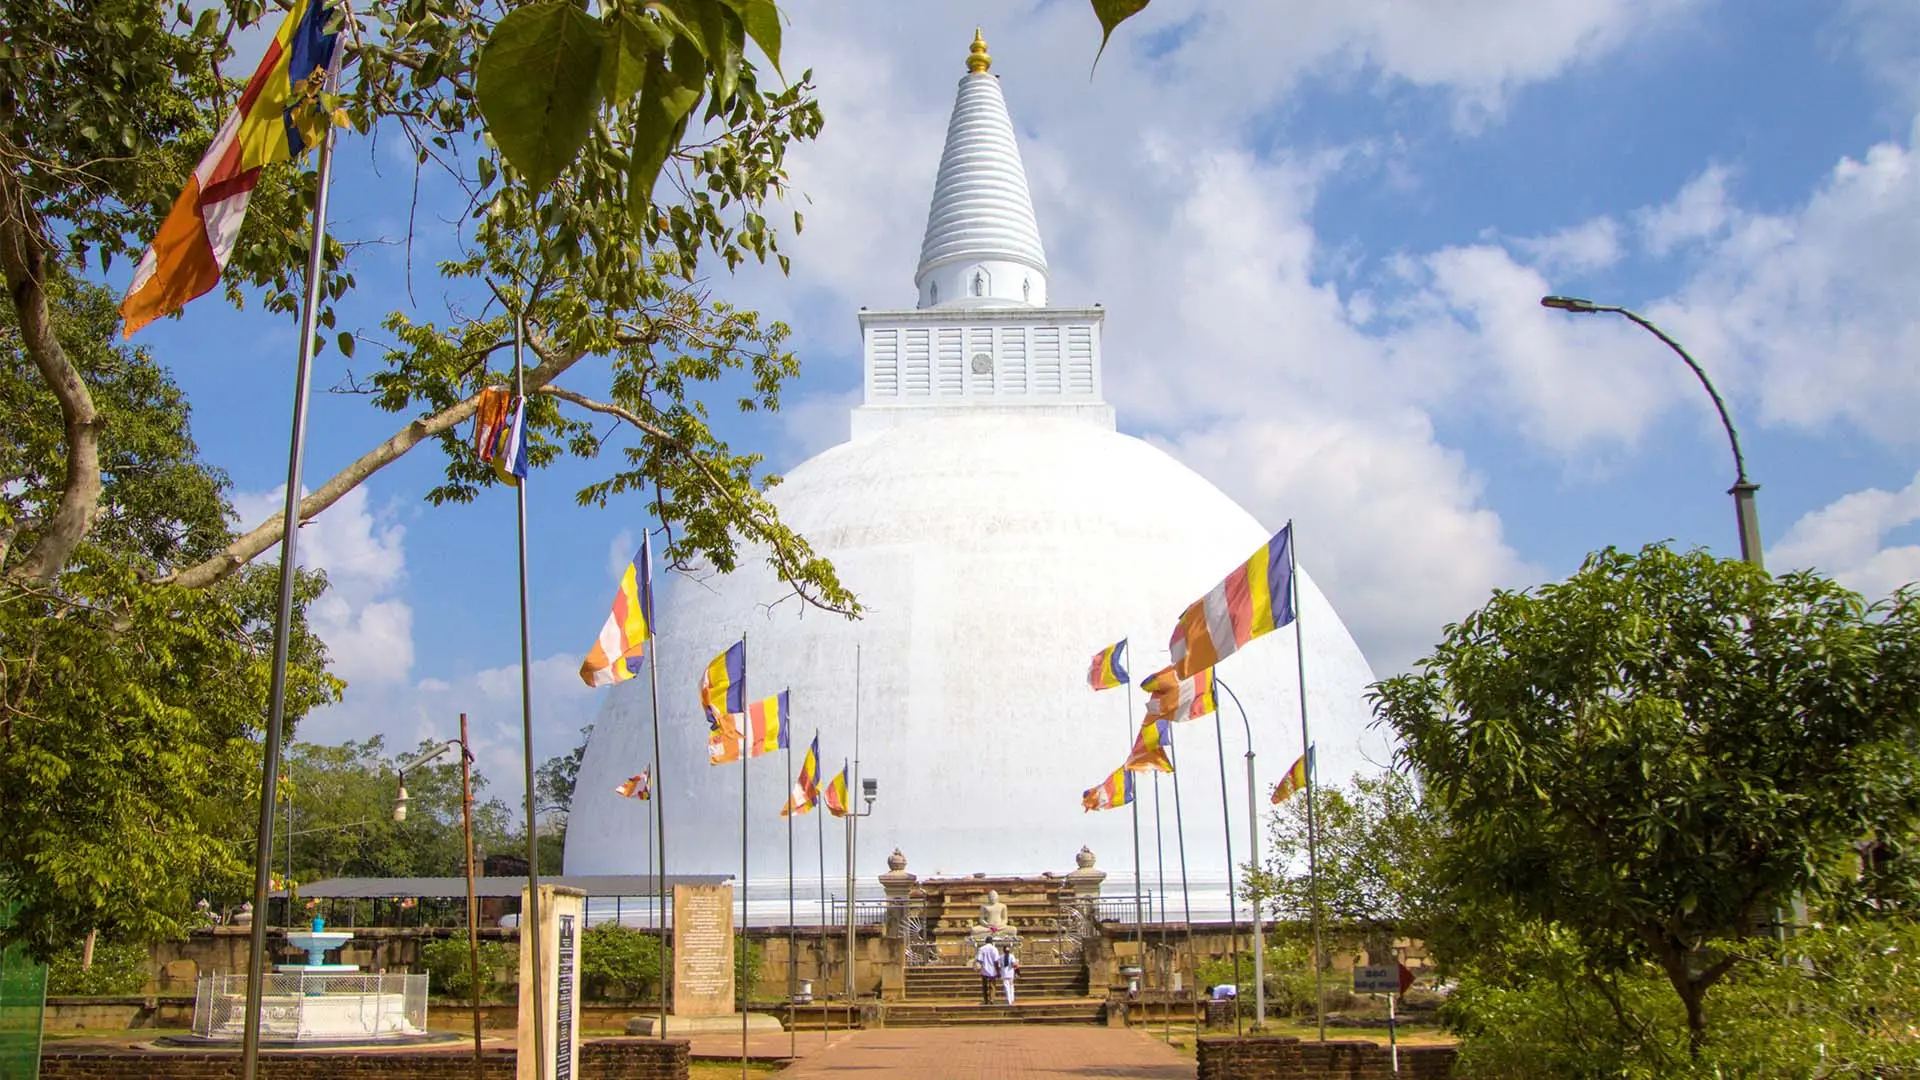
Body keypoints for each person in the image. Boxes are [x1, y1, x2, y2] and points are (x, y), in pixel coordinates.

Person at [974, 937, 1002, 1004]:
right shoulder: (994, 949)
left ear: (985, 942)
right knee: (992, 986)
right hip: (992, 970)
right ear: (992, 942)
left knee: (984, 986)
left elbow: (979, 960)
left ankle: (986, 999)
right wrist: (998, 971)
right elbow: (996, 961)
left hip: (984, 970)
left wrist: (978, 968)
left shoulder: (981, 949)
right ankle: (992, 999)